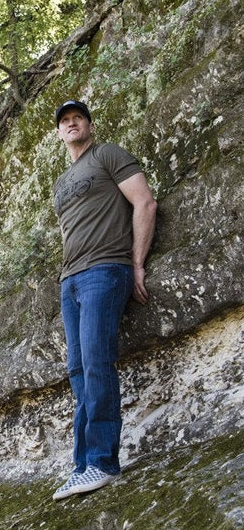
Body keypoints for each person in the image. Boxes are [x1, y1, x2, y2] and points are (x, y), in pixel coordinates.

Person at [50, 100, 157, 500]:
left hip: (105, 269)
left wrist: (137, 264)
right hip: (70, 280)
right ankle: (82, 465)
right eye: (64, 121)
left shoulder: (107, 154)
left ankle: (102, 462)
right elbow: (68, 231)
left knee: (96, 361)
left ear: (89, 125)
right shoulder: (60, 183)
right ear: (59, 133)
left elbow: (144, 202)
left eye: (77, 117)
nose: (71, 123)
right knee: (78, 371)